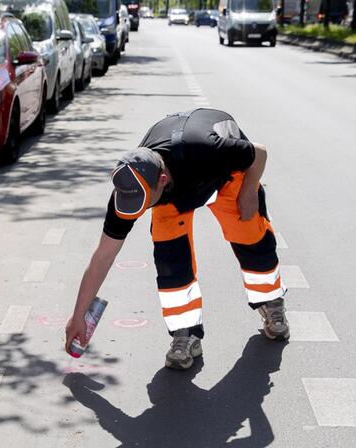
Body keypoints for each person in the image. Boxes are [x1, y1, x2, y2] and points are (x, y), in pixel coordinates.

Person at [65, 108, 288, 371]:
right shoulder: (130, 187)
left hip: (225, 176)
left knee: (251, 237)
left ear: (161, 181)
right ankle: (186, 335)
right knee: (171, 259)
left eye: (142, 202)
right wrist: (77, 315)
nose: (138, 209)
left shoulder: (207, 149)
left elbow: (259, 151)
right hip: (173, 194)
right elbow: (103, 255)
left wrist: (249, 189)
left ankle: (272, 304)